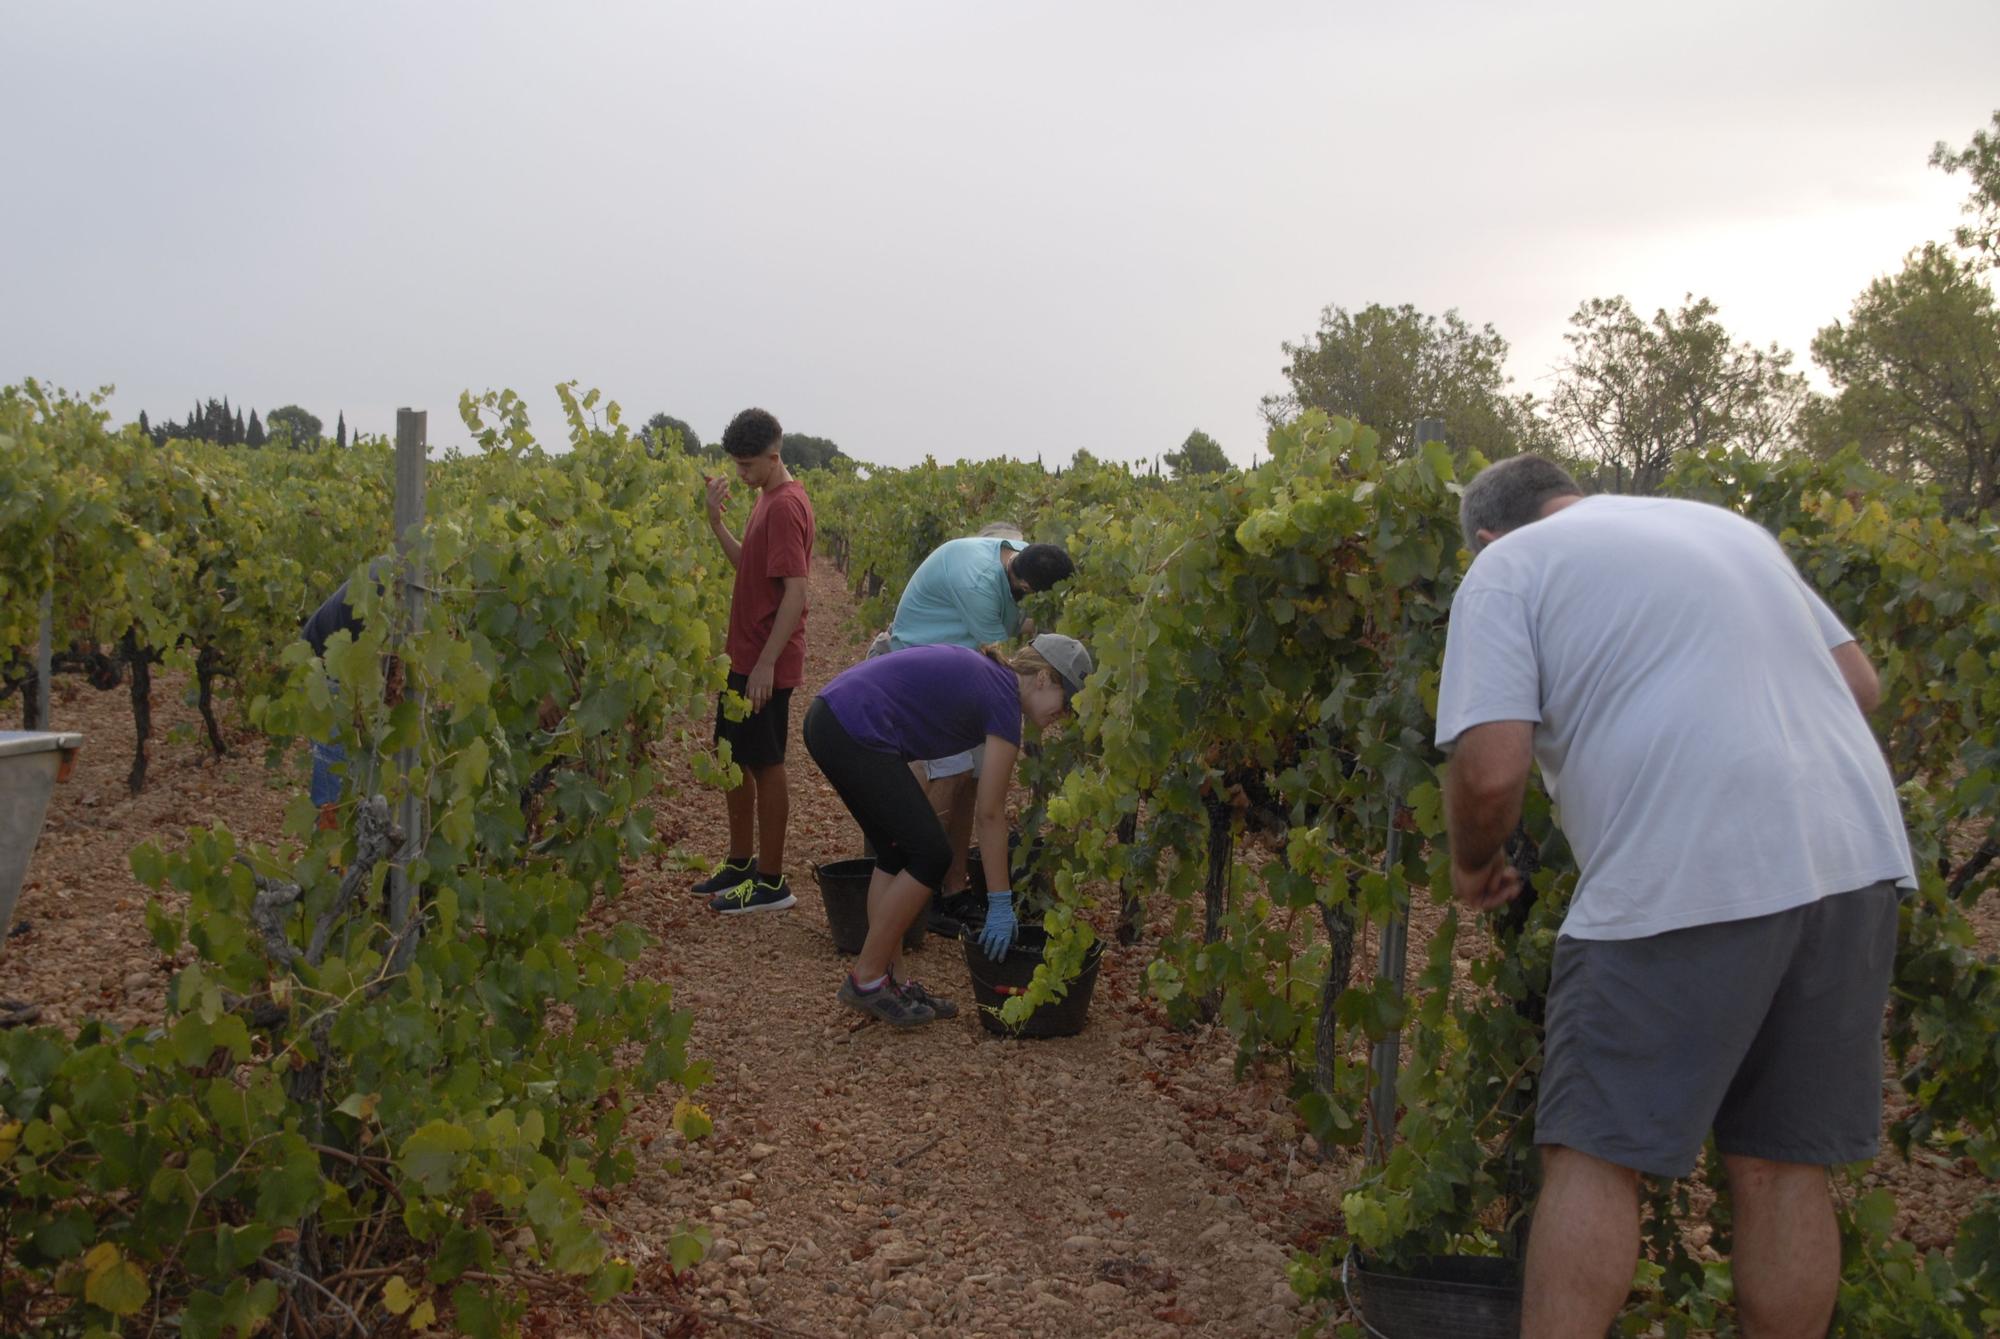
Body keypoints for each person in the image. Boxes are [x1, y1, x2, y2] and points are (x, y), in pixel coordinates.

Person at [1434, 455, 1914, 1339]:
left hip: (1683, 865)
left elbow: (1492, 767)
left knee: (1595, 1154)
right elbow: (1859, 686)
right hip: (1852, 856)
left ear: (1490, 536)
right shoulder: (1728, 530)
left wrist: (1473, 864)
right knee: (1783, 1166)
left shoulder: (1508, 566)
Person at [804, 634, 1094, 1026]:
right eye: (1066, 703)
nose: (1063, 718)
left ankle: (891, 982)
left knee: (897, 854)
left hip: (833, 720)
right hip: (852, 726)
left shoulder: (995, 681)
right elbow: (989, 814)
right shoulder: (1004, 699)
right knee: (931, 854)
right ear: (1043, 678)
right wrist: (1000, 902)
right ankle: (867, 978)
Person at [886, 530, 1075, 914]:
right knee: (951, 772)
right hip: (921, 662)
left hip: (958, 660)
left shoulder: (1021, 557)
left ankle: (952, 888)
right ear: (1022, 584)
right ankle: (919, 889)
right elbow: (1004, 664)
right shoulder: (979, 585)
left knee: (972, 776)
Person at [693, 408, 816, 914]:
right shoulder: (766, 497)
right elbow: (750, 568)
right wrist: (716, 523)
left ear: (774, 454)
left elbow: (797, 592)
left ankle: (770, 883)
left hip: (764, 658)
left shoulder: (787, 505)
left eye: (748, 466)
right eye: (736, 466)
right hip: (742, 655)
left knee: (766, 764)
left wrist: (766, 664)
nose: (741, 475)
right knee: (734, 759)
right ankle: (741, 864)